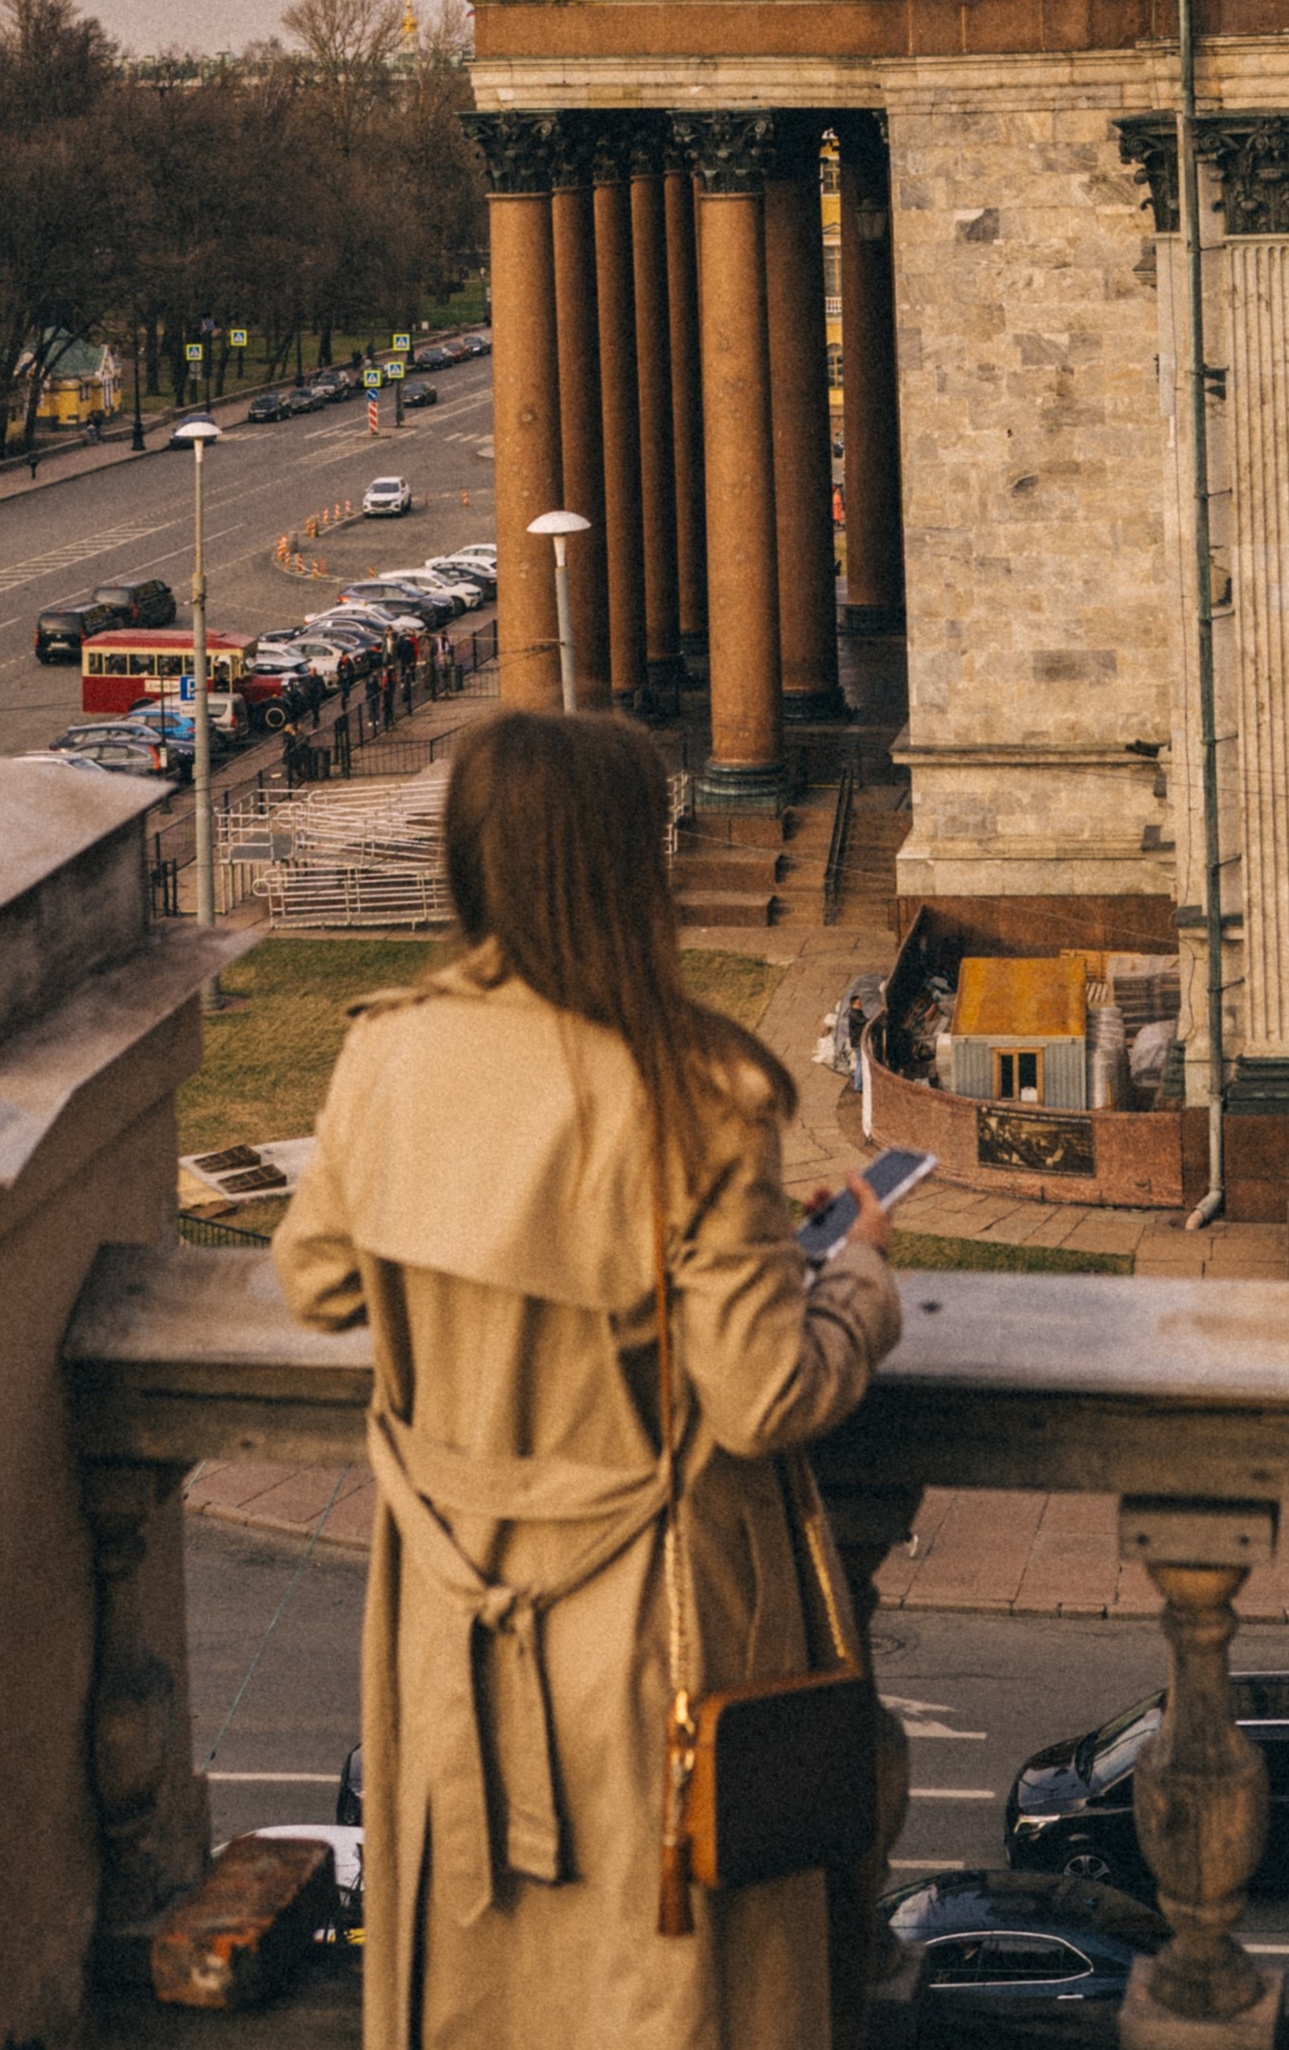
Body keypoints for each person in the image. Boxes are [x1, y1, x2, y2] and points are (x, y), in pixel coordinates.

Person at [275, 709, 903, 2050]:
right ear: (635, 865)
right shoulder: (692, 1093)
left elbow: (317, 1280)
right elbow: (762, 1394)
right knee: (652, 1993)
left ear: (471, 863)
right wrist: (854, 1280)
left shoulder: (384, 1050)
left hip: (445, 1621)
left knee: (476, 1994)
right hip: (645, 1637)